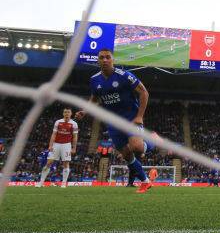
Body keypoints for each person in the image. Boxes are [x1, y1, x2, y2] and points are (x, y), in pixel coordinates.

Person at [75, 48, 154, 193]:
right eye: (101, 58)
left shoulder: (124, 75)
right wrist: (85, 111)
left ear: (113, 60)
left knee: (137, 147)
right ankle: (145, 181)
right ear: (98, 60)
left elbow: (144, 92)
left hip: (131, 117)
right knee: (126, 154)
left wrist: (139, 116)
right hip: (112, 122)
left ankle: (153, 140)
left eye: (107, 57)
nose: (105, 60)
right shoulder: (94, 80)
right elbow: (94, 98)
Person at [38, 108, 78, 188]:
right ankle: (41, 182)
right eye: (65, 112)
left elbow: (75, 137)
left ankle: (63, 183)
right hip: (56, 144)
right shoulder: (58, 122)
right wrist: (50, 145)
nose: (67, 113)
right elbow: (54, 134)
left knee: (65, 164)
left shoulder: (74, 124)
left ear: (71, 113)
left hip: (67, 145)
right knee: (49, 162)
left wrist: (74, 148)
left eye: (68, 112)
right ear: (63, 113)